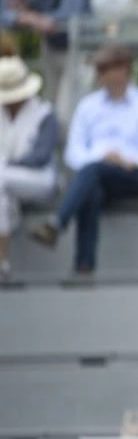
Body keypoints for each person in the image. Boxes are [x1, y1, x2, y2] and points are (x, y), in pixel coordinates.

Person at [28, 44, 138, 275]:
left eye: (105, 68)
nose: (100, 74)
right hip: (96, 175)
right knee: (92, 184)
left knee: (91, 174)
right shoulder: (88, 106)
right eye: (99, 69)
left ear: (124, 69)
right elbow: (73, 153)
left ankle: (58, 224)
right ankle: (84, 265)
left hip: (132, 176)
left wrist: (130, 161)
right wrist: (102, 157)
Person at [0, 0, 92, 112]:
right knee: (53, 109)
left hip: (77, 50)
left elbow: (71, 16)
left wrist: (30, 15)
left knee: (67, 111)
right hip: (50, 48)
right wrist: (29, 18)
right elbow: (4, 14)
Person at [0, 55, 59, 279]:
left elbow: (40, 157)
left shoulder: (45, 114)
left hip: (39, 179)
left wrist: (5, 164)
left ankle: (2, 256)